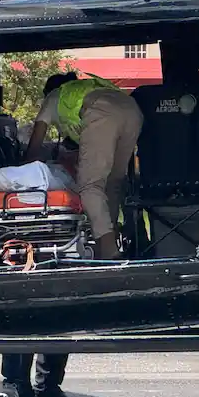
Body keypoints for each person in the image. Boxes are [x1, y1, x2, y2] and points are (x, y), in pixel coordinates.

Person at [24, 72, 143, 260]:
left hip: (103, 111)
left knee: (89, 186)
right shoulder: (87, 89)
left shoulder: (54, 96)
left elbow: (35, 143)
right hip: (132, 111)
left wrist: (22, 168)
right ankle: (114, 242)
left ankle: (109, 252)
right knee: (112, 184)